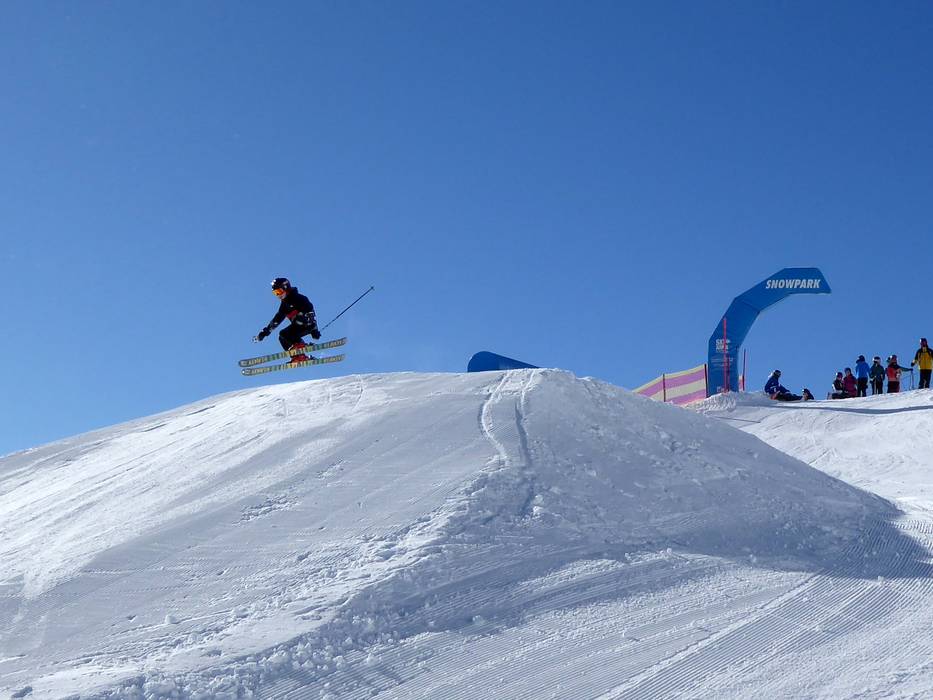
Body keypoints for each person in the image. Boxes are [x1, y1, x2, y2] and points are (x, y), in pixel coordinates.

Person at [254, 278, 321, 363]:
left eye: (279, 291)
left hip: (306, 324)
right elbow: (277, 320)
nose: (278, 295)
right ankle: (298, 357)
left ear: (286, 288)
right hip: (297, 327)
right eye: (275, 293)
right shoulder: (284, 305)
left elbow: (310, 312)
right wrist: (265, 332)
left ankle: (300, 346)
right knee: (282, 338)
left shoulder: (299, 298)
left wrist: (314, 329)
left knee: (284, 333)